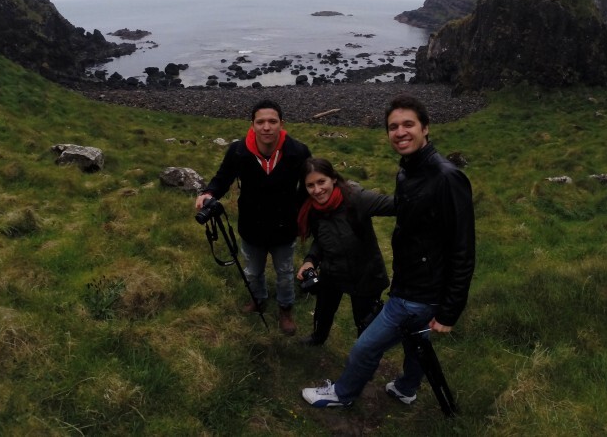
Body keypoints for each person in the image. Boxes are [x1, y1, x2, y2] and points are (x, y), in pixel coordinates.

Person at [302, 93, 475, 407]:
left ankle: (342, 394)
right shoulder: (408, 170)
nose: (400, 132)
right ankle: (407, 388)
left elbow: (463, 248)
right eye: (393, 127)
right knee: (416, 342)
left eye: (408, 124)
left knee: (366, 347)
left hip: (419, 289)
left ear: (425, 128)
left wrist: (450, 310)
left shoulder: (447, 178)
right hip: (410, 280)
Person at [195, 99, 311, 335]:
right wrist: (208, 193)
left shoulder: (298, 151)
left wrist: (301, 213)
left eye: (272, 121)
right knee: (252, 271)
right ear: (252, 125)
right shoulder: (238, 151)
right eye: (261, 122)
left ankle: (285, 308)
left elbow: (310, 183)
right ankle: (258, 299)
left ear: (281, 124)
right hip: (251, 226)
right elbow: (223, 178)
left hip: (285, 227)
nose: (266, 127)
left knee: (286, 274)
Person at [296, 158, 392, 346]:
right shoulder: (313, 209)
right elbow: (321, 240)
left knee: (365, 322)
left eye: (321, 182)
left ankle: (363, 359)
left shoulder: (356, 198)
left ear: (333, 178)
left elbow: (395, 205)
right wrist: (310, 260)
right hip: (332, 271)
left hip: (365, 274)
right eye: (310, 185)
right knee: (323, 310)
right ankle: (318, 338)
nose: (317, 190)